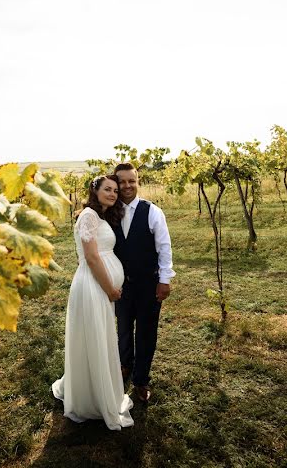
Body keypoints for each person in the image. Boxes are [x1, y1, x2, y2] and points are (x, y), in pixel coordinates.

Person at [52, 174, 134, 430]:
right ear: (95, 191)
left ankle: (97, 388)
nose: (112, 193)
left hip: (99, 287)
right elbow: (91, 258)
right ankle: (92, 398)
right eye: (107, 189)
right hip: (93, 287)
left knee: (98, 337)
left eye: (115, 190)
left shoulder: (100, 217)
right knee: (94, 337)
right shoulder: (88, 215)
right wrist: (110, 289)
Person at [112, 162, 174, 403]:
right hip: (121, 286)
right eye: (122, 181)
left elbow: (164, 248)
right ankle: (124, 367)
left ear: (138, 182)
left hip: (148, 284)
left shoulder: (152, 211)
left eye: (131, 181)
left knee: (146, 333)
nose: (127, 185)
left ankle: (141, 380)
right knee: (123, 330)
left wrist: (164, 280)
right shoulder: (110, 211)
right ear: (116, 184)